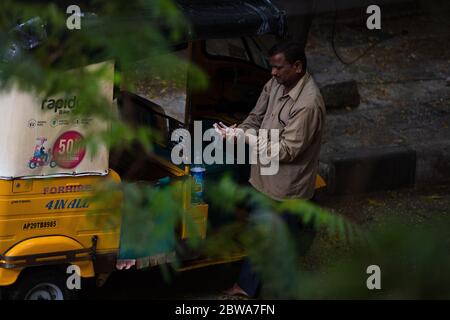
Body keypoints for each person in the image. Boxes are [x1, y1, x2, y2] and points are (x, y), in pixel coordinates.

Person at [216, 41, 326, 298]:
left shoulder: (308, 104)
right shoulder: (276, 84)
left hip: (285, 186)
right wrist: (236, 132)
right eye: (272, 67)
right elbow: (256, 117)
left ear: (297, 67)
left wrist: (248, 139)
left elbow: (288, 151)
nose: (273, 73)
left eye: (279, 68)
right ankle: (250, 285)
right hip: (263, 176)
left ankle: (255, 287)